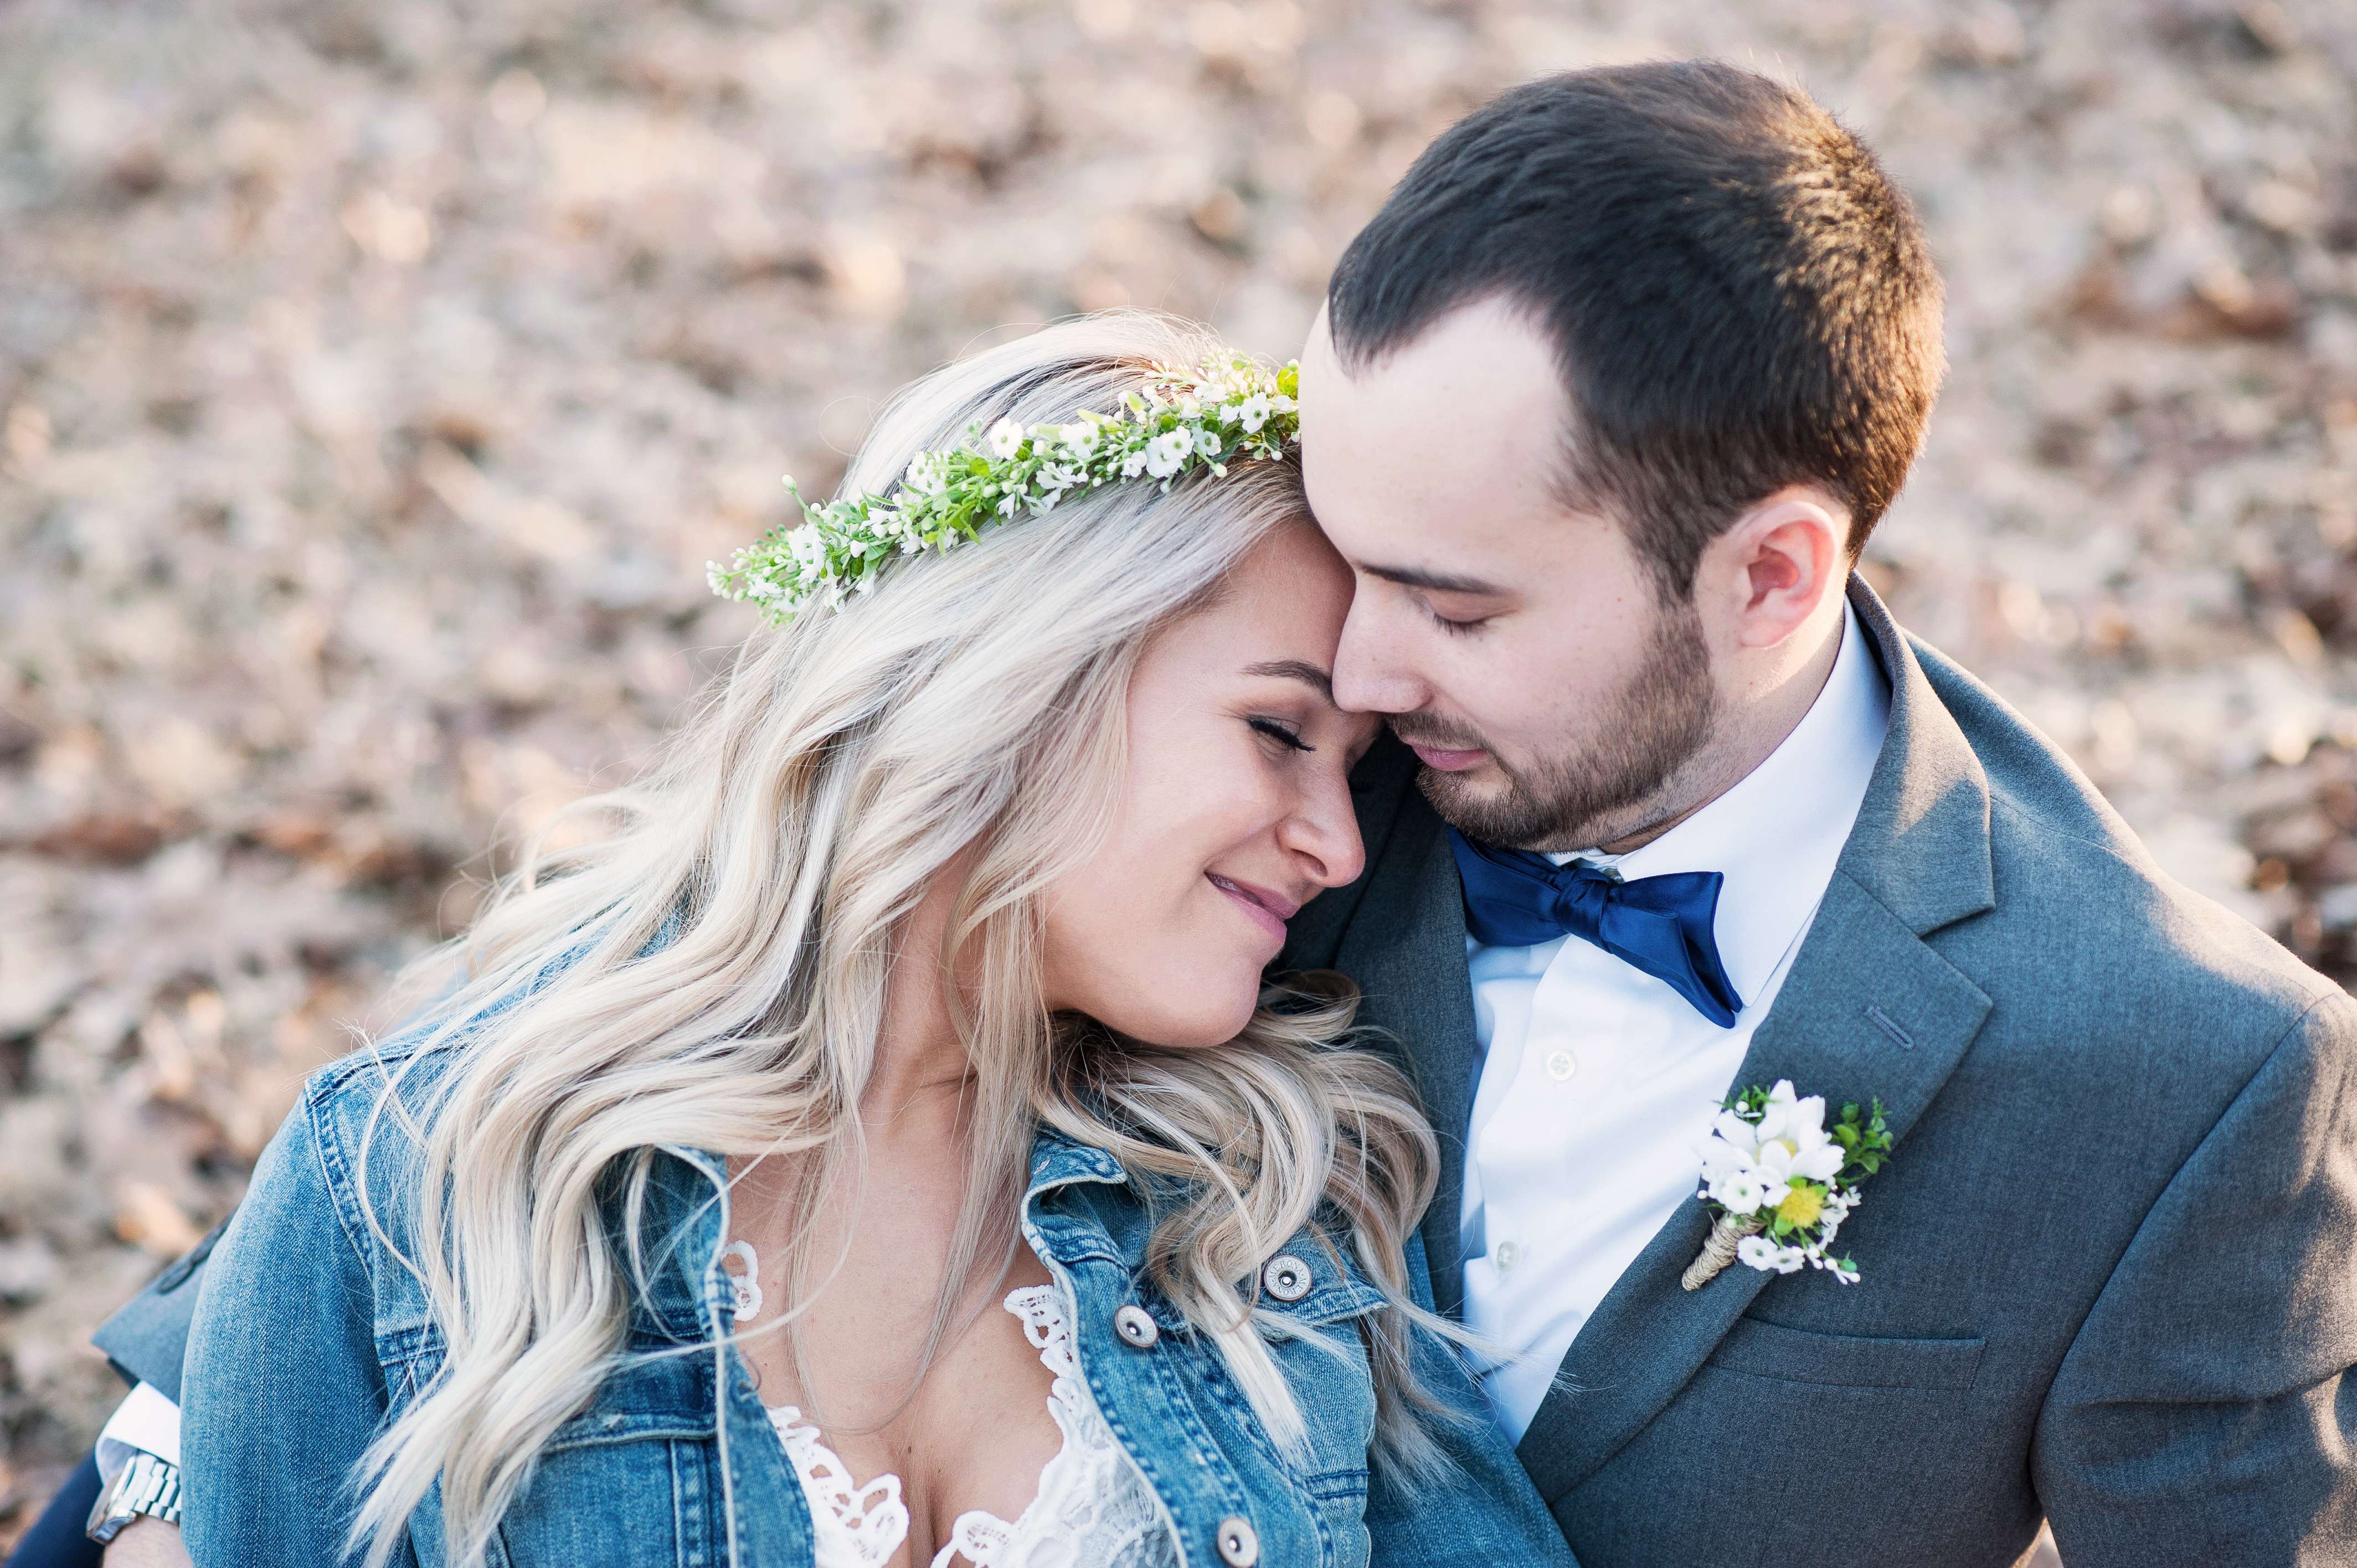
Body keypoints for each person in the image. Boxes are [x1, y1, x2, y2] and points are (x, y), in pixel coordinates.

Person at [26, 56, 2357, 1568]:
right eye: (1300, 682)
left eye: (1434, 606)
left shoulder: (2162, 1075)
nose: (1357, 709)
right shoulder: (1260, 787)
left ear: (1765, 577)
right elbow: (629, 1029)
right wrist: (175, 1474)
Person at [32, 314, 1573, 1568]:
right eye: (1278, 730)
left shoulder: (1273, 1212)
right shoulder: (422, 1187)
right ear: (1023, 678)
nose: (1341, 842)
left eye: (1354, 771)